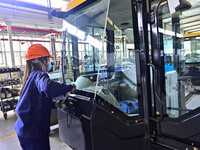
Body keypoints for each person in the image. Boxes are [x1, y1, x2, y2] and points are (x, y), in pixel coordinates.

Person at [15, 44, 76, 150]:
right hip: (34, 132)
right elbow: (48, 88)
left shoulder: (31, 76)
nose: (49, 63)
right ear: (39, 60)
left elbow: (37, 100)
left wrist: (54, 104)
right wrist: (69, 87)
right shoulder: (39, 75)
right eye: (47, 59)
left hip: (25, 130)